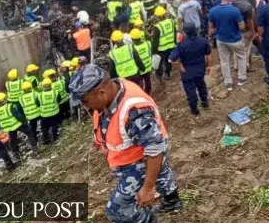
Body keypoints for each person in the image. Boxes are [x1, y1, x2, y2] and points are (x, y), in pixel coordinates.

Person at [67, 64, 183, 220]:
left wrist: (148, 188)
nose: (85, 106)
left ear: (101, 93)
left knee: (117, 211)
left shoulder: (134, 111)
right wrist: (100, 139)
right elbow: (110, 121)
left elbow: (155, 149)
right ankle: (172, 201)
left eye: (85, 101)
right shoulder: (113, 89)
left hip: (139, 160)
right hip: (140, 150)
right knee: (162, 172)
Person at [207, 0, 247, 90]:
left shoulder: (213, 10)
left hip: (221, 39)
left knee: (224, 61)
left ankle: (228, 83)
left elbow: (211, 28)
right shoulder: (235, 10)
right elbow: (242, 27)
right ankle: (242, 79)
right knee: (241, 57)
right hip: (235, 39)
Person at [169, 24, 211, 116]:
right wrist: (208, 66)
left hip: (187, 72)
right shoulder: (203, 41)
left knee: (190, 91)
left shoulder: (181, 45)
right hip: (200, 70)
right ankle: (205, 103)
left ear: (184, 32)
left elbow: (171, 59)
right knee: (201, 86)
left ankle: (194, 110)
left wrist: (180, 65)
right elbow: (208, 55)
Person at [0, 92, 28, 160]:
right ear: (4, 99)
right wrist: (24, 121)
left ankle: (17, 154)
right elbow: (18, 116)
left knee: (13, 140)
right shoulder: (10, 106)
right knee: (29, 132)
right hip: (17, 124)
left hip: (8, 128)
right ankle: (35, 147)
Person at [151, 6, 177, 81]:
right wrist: (174, 42)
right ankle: (167, 74)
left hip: (161, 48)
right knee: (168, 61)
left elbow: (155, 41)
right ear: (165, 14)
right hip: (171, 46)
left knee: (159, 63)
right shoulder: (172, 21)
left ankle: (159, 76)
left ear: (157, 16)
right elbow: (174, 33)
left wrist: (153, 51)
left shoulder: (157, 27)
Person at [36, 78, 61, 144]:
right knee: (54, 125)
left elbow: (37, 104)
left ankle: (46, 139)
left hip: (44, 115)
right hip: (54, 113)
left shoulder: (39, 95)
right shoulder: (56, 92)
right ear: (51, 84)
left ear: (43, 86)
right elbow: (59, 100)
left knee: (44, 127)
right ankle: (55, 137)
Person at [130, 28, 154, 93]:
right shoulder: (148, 44)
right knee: (148, 81)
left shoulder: (132, 48)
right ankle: (148, 93)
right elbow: (151, 53)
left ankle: (142, 94)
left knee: (140, 83)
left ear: (132, 39)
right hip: (148, 67)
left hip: (139, 69)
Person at [18, 81, 41, 147]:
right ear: (30, 88)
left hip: (29, 116)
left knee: (33, 127)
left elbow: (21, 108)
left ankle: (35, 139)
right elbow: (39, 103)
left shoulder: (20, 98)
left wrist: (24, 116)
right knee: (44, 124)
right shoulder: (35, 94)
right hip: (38, 113)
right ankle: (45, 135)